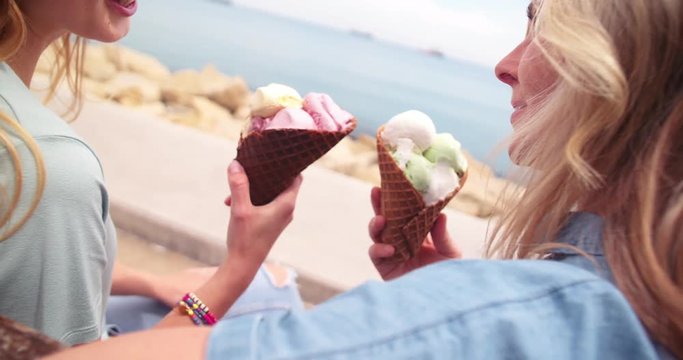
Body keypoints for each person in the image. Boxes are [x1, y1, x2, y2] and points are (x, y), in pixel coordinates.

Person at [49, 0, 682, 358]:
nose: (503, 65)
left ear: (621, 71)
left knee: (271, 284)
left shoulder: (517, 323)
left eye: (540, 22)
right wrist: (445, 293)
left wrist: (236, 269)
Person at [0, 0, 304, 346]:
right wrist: (239, 266)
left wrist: (150, 282)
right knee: (275, 302)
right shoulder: (47, 167)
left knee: (277, 284)